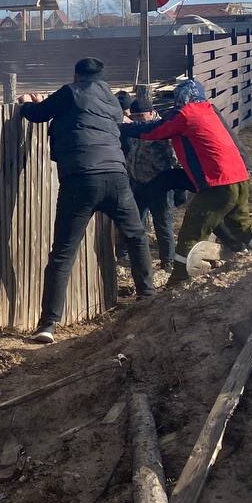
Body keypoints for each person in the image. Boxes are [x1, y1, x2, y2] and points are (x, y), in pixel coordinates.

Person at [18, 57, 155, 344]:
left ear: (76, 74)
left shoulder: (70, 92)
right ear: (101, 77)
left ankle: (48, 325)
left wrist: (26, 104)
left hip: (81, 178)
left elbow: (39, 115)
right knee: (136, 236)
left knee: (63, 252)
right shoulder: (112, 101)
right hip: (116, 176)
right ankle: (147, 296)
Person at [125, 79, 252, 284]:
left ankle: (179, 278)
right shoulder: (208, 110)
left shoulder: (186, 114)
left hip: (218, 182)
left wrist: (123, 128)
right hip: (239, 177)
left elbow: (154, 131)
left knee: (192, 232)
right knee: (243, 225)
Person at [125, 96, 182, 271]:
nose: (138, 120)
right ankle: (137, 260)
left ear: (151, 113)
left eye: (141, 116)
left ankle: (168, 262)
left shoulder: (163, 129)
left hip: (159, 185)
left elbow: (175, 158)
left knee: (163, 224)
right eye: (134, 117)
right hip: (138, 183)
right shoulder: (134, 129)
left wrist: (177, 188)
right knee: (136, 224)